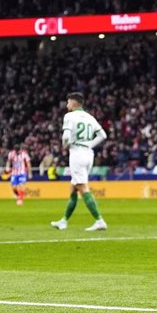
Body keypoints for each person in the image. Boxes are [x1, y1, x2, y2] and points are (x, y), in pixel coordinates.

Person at [51, 92, 108, 231]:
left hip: (77, 153)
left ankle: (99, 220)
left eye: (68, 102)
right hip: (88, 154)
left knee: (82, 187)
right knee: (73, 188)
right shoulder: (90, 117)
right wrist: (89, 145)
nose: (67, 104)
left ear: (74, 103)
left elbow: (65, 137)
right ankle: (64, 221)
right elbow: (103, 135)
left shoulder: (69, 116)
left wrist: (65, 145)